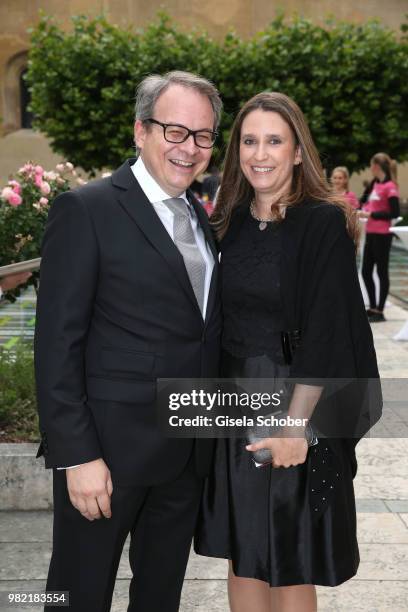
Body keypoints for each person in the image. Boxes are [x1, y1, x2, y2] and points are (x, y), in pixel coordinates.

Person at [34, 70, 222, 612]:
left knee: (159, 597)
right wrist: (78, 456)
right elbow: (57, 344)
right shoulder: (86, 209)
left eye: (203, 135)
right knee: (76, 597)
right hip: (108, 459)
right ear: (141, 131)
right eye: (174, 131)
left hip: (185, 456)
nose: (189, 148)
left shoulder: (198, 215)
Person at [194, 92, 381, 612]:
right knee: (244, 551)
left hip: (294, 400)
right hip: (232, 406)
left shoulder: (321, 222)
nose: (260, 153)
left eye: (274, 141)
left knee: (290, 556)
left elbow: (326, 331)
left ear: (298, 151)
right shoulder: (225, 221)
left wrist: (297, 425)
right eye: (249, 141)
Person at [359, 153, 400, 322]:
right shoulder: (375, 184)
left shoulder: (390, 187)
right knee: (365, 271)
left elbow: (394, 213)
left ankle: (380, 310)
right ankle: (373, 307)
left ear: (376, 166)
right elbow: (362, 200)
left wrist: (370, 214)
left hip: (383, 234)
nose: (370, 168)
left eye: (371, 165)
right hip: (370, 232)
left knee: (382, 271)